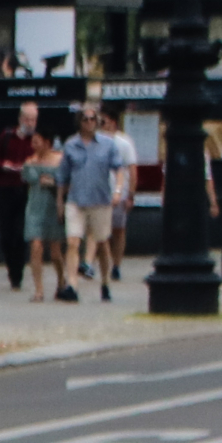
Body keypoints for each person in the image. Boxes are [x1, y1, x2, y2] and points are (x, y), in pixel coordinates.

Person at [59, 110, 127, 300]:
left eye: (92, 119)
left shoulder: (107, 144)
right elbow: (63, 177)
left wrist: (118, 191)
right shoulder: (71, 145)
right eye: (85, 119)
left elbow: (119, 169)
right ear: (79, 122)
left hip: (100, 200)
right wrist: (59, 201)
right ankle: (72, 284)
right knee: (73, 241)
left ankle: (105, 282)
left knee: (102, 242)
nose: (89, 122)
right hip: (76, 200)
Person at [0, 103, 37, 292]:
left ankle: (18, 273)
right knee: (6, 234)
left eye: (33, 120)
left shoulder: (35, 141)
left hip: (25, 190)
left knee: (20, 233)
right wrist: (5, 165)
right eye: (27, 119)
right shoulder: (7, 136)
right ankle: (11, 268)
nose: (30, 123)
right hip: (5, 189)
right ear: (20, 119)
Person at [21, 129, 66, 302]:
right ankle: (38, 288)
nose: (34, 145)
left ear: (47, 143)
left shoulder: (59, 161)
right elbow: (29, 180)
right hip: (35, 208)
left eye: (37, 141)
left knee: (55, 252)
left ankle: (61, 280)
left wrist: (54, 184)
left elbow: (65, 183)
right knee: (36, 245)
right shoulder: (30, 162)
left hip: (53, 208)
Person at [104, 112, 141, 281]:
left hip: (119, 191)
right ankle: (102, 263)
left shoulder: (124, 143)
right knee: (101, 231)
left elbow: (132, 169)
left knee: (118, 230)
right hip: (100, 192)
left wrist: (131, 194)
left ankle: (116, 264)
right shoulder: (94, 141)